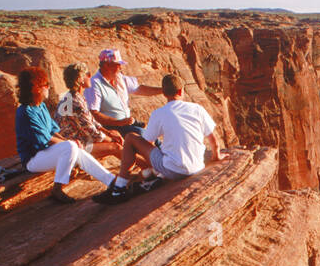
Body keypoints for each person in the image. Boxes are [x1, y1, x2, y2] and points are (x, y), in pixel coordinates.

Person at [96, 74, 227, 204]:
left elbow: (147, 142)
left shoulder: (158, 113)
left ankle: (119, 189)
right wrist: (217, 156)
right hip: (197, 167)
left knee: (131, 138)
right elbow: (213, 139)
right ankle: (152, 175)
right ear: (181, 90)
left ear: (164, 94)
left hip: (173, 171)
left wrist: (152, 162)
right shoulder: (197, 108)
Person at [14, 66, 115, 203]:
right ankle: (57, 188)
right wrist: (69, 144)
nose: (48, 87)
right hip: (33, 159)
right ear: (36, 88)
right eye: (46, 85)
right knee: (71, 147)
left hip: (47, 152)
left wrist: (70, 142)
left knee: (75, 148)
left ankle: (111, 181)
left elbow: (53, 130)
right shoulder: (25, 112)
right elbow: (46, 139)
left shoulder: (40, 106)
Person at [56, 63, 122, 162]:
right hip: (76, 145)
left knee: (115, 136)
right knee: (116, 146)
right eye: (88, 74)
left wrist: (109, 133)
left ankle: (145, 168)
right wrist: (111, 139)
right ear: (80, 79)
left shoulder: (74, 97)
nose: (90, 76)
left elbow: (92, 122)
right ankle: (146, 167)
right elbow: (91, 131)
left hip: (79, 140)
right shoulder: (75, 102)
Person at [84, 49, 155, 138]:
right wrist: (119, 122)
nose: (120, 67)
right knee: (142, 134)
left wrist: (165, 90)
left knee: (151, 135)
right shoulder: (95, 84)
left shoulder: (119, 78)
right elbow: (94, 113)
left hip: (126, 125)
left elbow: (139, 89)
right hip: (111, 127)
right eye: (118, 65)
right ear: (106, 65)